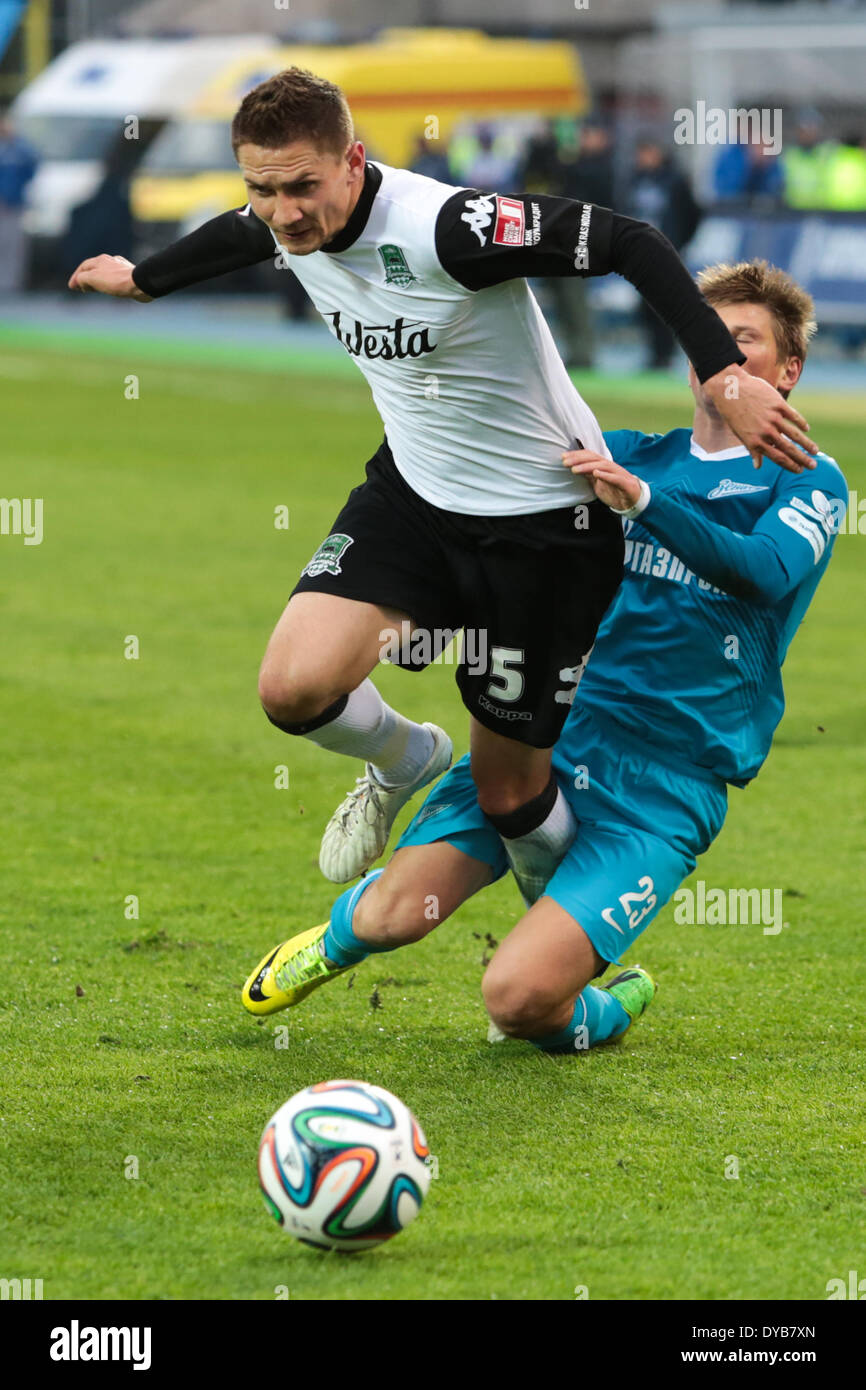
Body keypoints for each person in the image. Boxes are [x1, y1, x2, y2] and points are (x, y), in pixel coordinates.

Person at [68, 69, 816, 910]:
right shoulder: (284, 216)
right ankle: (404, 759)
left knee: (510, 797)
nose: (285, 212)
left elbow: (631, 241)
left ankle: (559, 944)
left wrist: (723, 373)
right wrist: (145, 278)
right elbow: (240, 235)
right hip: (415, 500)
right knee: (292, 689)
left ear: (353, 161)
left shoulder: (451, 229)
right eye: (263, 189)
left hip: (545, 525)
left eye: (304, 187)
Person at [241, 260, 846, 1063]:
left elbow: (760, 572)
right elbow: (498, 508)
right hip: (552, 734)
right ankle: (341, 934)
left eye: (745, 342)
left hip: (667, 784)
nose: (723, 359)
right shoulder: (627, 453)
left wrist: (643, 504)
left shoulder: (809, 480)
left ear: (788, 371)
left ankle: (599, 1007)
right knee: (392, 920)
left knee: (518, 1000)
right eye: (711, 341)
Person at [628, 137, 702, 370]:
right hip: (641, 250)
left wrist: (679, 241)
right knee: (645, 305)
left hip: (666, 249)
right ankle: (653, 353)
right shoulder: (636, 180)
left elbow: (693, 214)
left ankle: (665, 355)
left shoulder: (675, 181)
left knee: (664, 304)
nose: (643, 158)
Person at [0, 112, 38, 295]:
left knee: (13, 245)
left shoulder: (18, 149)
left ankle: (10, 283)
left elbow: (31, 166)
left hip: (13, 203)